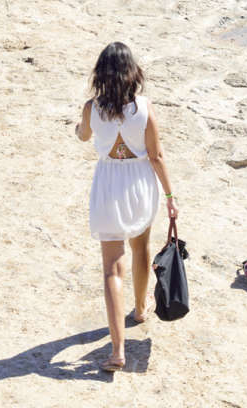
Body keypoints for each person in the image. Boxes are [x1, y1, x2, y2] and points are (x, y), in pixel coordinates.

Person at [75, 42, 178, 374]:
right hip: (140, 185)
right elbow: (157, 155)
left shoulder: (92, 108)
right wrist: (170, 197)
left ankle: (117, 350)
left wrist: (78, 127)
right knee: (141, 247)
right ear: (133, 73)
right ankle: (138, 308)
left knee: (111, 271)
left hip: (109, 186)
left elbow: (82, 135)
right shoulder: (144, 108)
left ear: (101, 74)